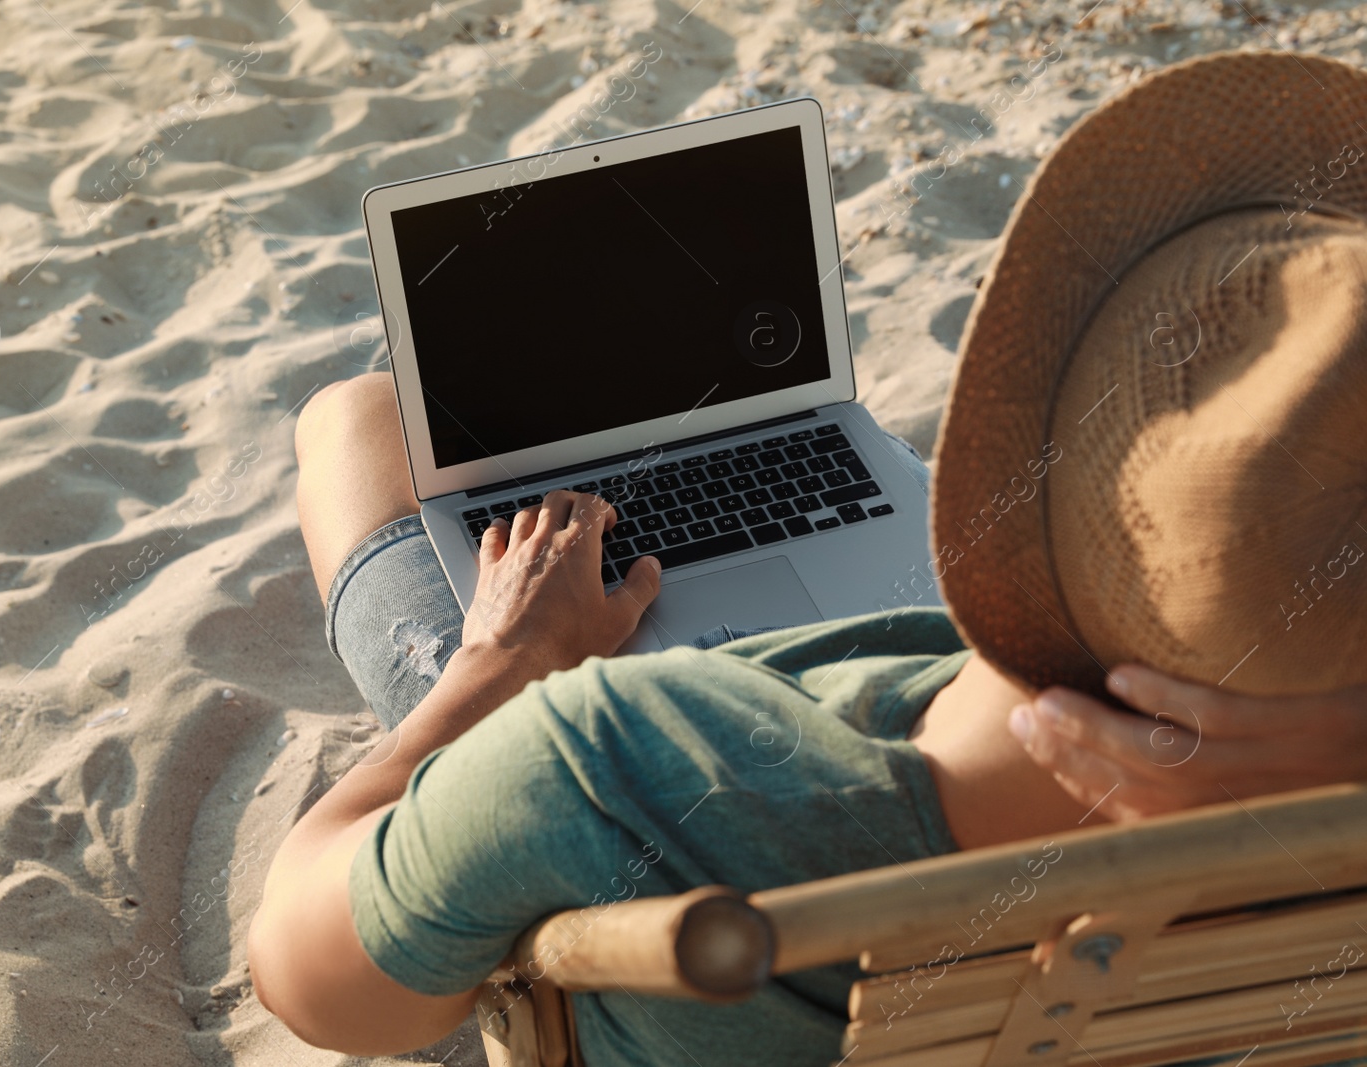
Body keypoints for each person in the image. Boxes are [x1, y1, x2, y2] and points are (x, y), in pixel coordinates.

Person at [248, 51, 1367, 1064]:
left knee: (353, 420)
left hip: (637, 909)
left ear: (1028, 469)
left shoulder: (602, 761)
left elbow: (316, 987)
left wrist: (502, 661)